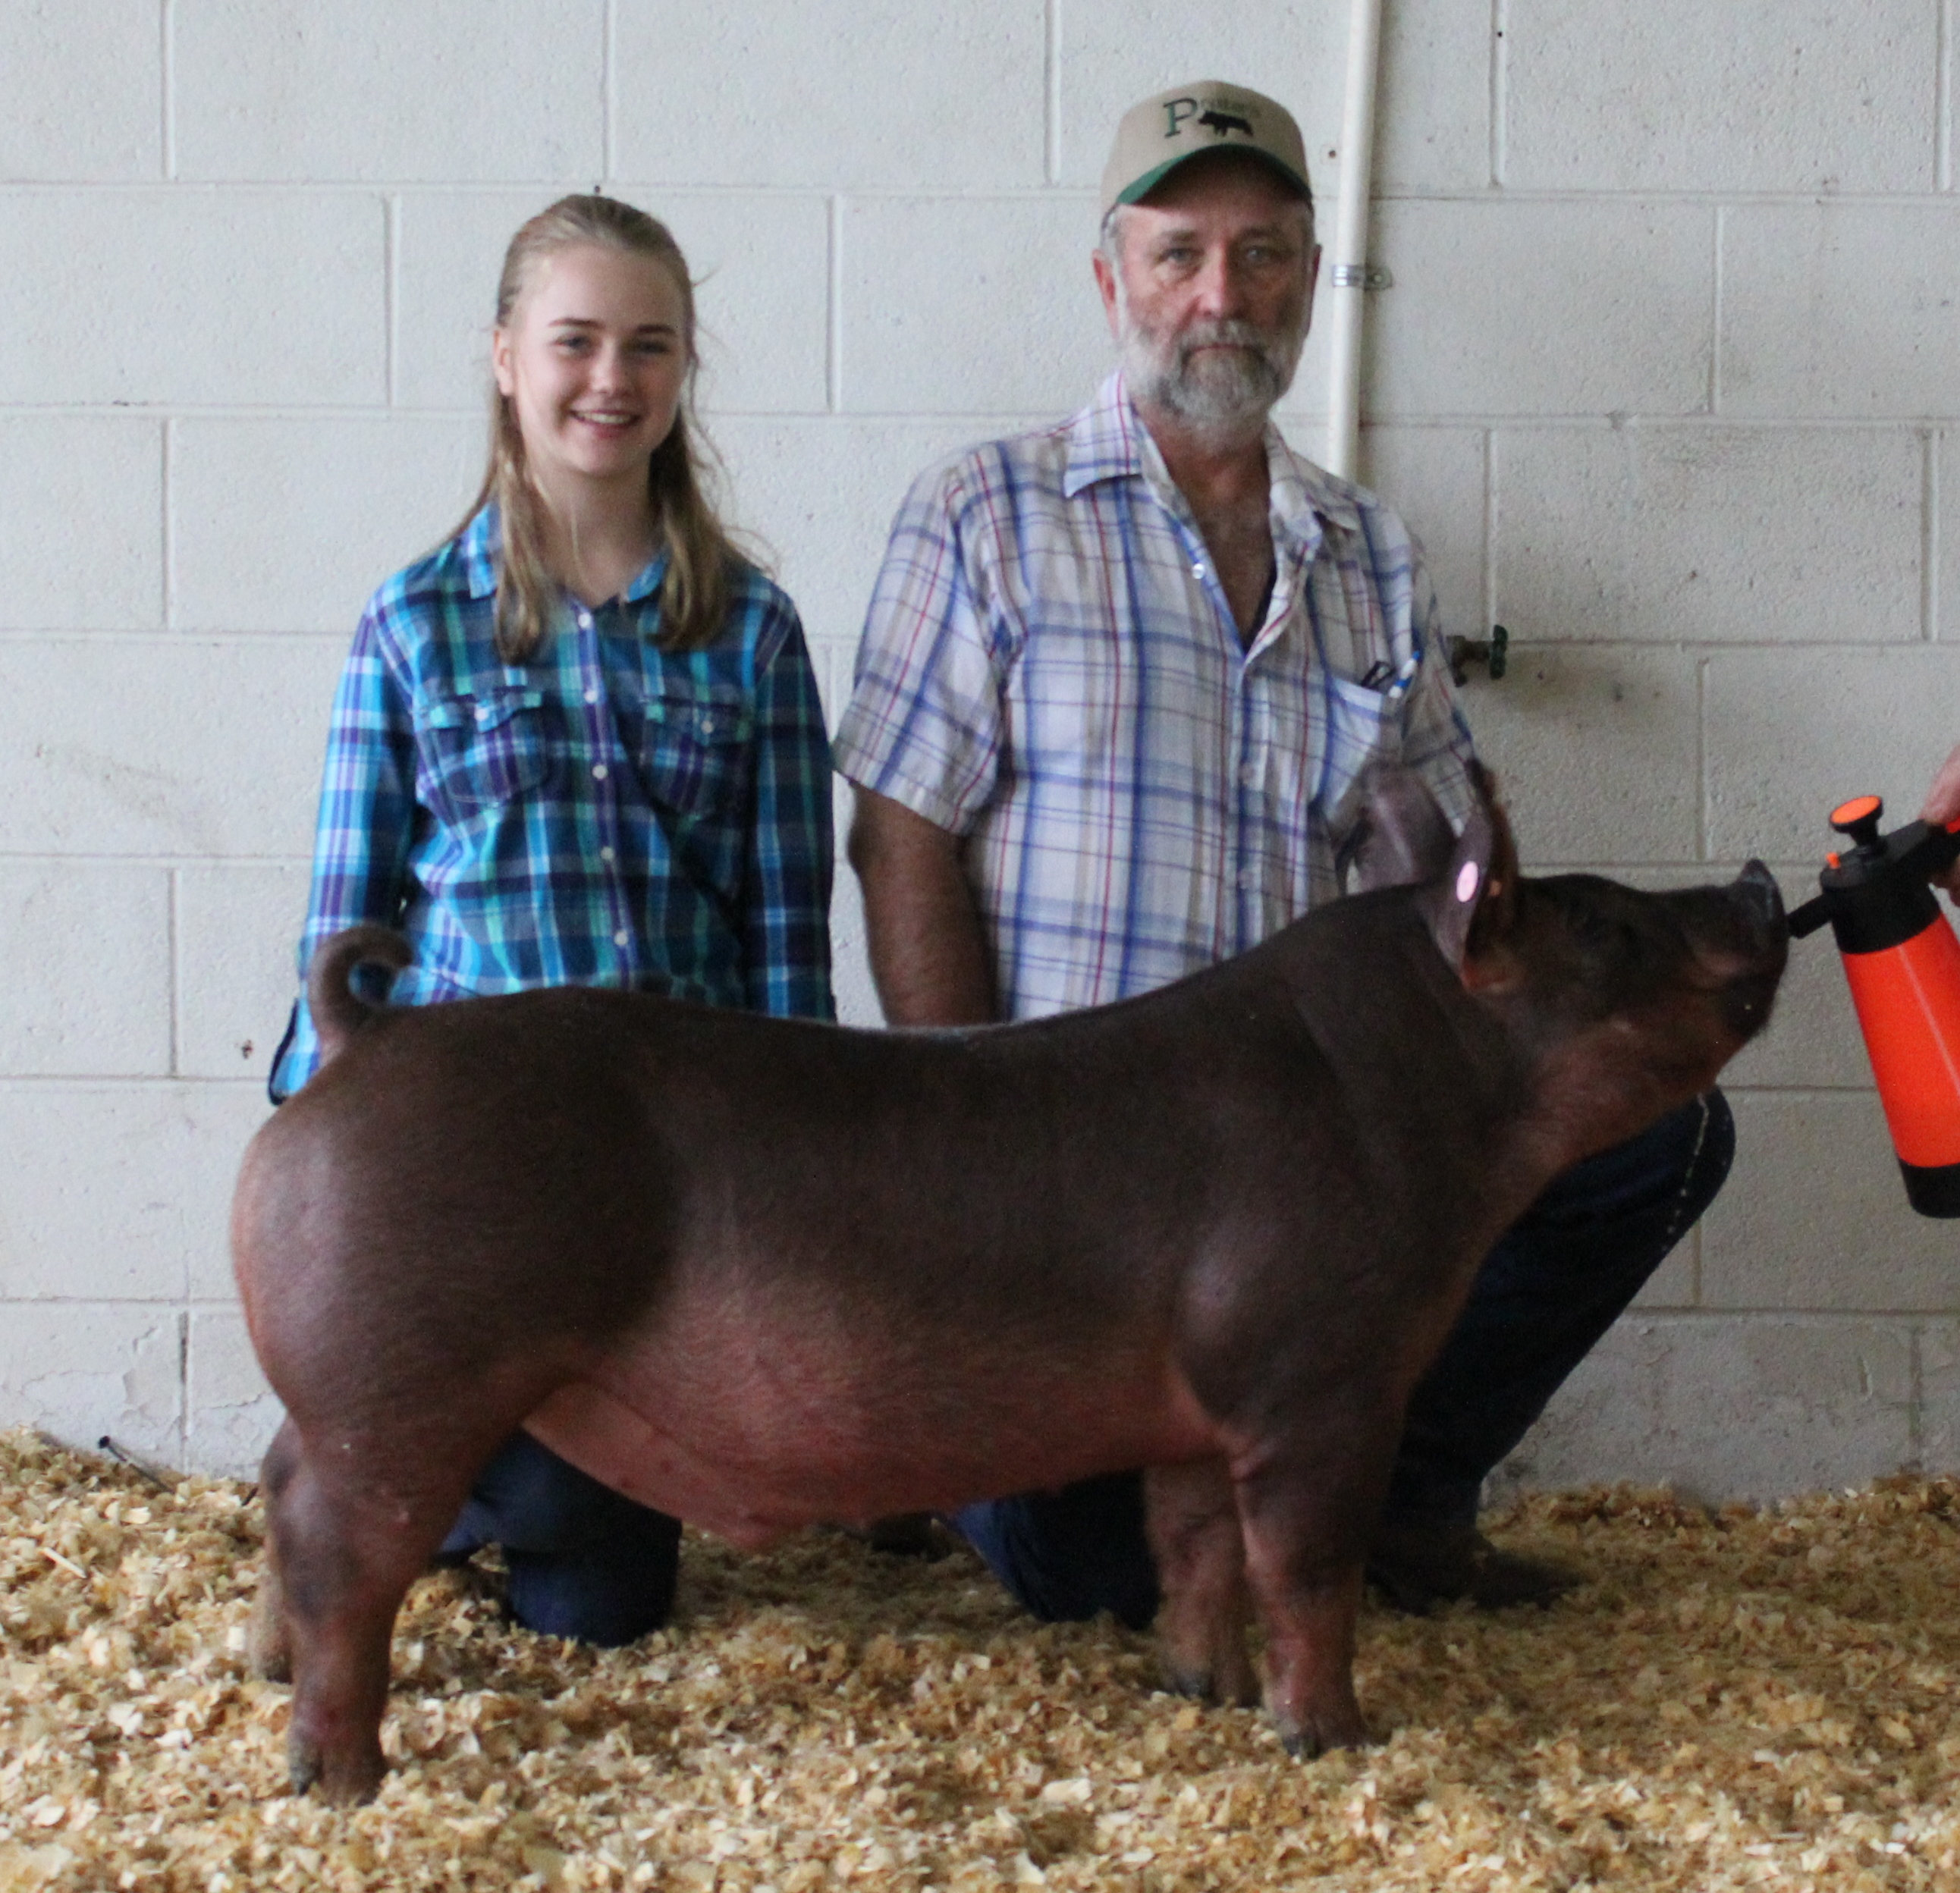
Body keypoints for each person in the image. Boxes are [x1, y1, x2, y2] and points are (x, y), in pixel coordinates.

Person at [834, 81, 1734, 1621]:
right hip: (1066, 1172)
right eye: (1177, 252)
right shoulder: (987, 513)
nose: (1219, 296)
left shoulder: (1363, 553)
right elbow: (898, 838)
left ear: (1312, 280)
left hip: (1291, 1165)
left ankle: (1393, 1496)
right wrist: (961, 1150)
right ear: (1107, 277)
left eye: (1262, 256)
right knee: (1101, 1581)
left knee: (1657, 1146)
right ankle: (948, 1484)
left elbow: (1441, 878)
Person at [268, 194, 834, 1644]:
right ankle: (378, 1470)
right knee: (458, 1471)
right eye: (575, 340)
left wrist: (796, 1189)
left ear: (684, 371)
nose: (612, 379)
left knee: (601, 1609)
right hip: (472, 1179)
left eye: (651, 346)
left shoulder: (754, 633)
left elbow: (785, 944)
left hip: (663, 1192)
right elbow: (346, 926)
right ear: (505, 356)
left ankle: (470, 1487)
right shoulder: (410, 626)